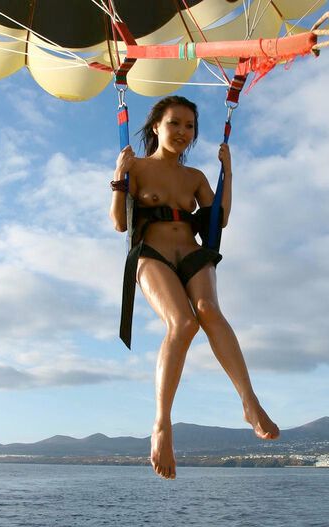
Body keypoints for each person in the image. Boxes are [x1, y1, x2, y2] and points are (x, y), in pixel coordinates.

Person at [109, 96, 279, 480]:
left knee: (208, 311)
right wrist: (119, 176)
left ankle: (249, 402)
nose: (183, 132)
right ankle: (162, 424)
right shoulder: (136, 166)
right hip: (151, 254)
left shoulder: (196, 177)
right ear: (156, 126)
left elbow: (220, 220)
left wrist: (227, 173)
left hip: (191, 251)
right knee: (182, 323)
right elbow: (119, 223)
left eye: (190, 126)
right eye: (175, 123)